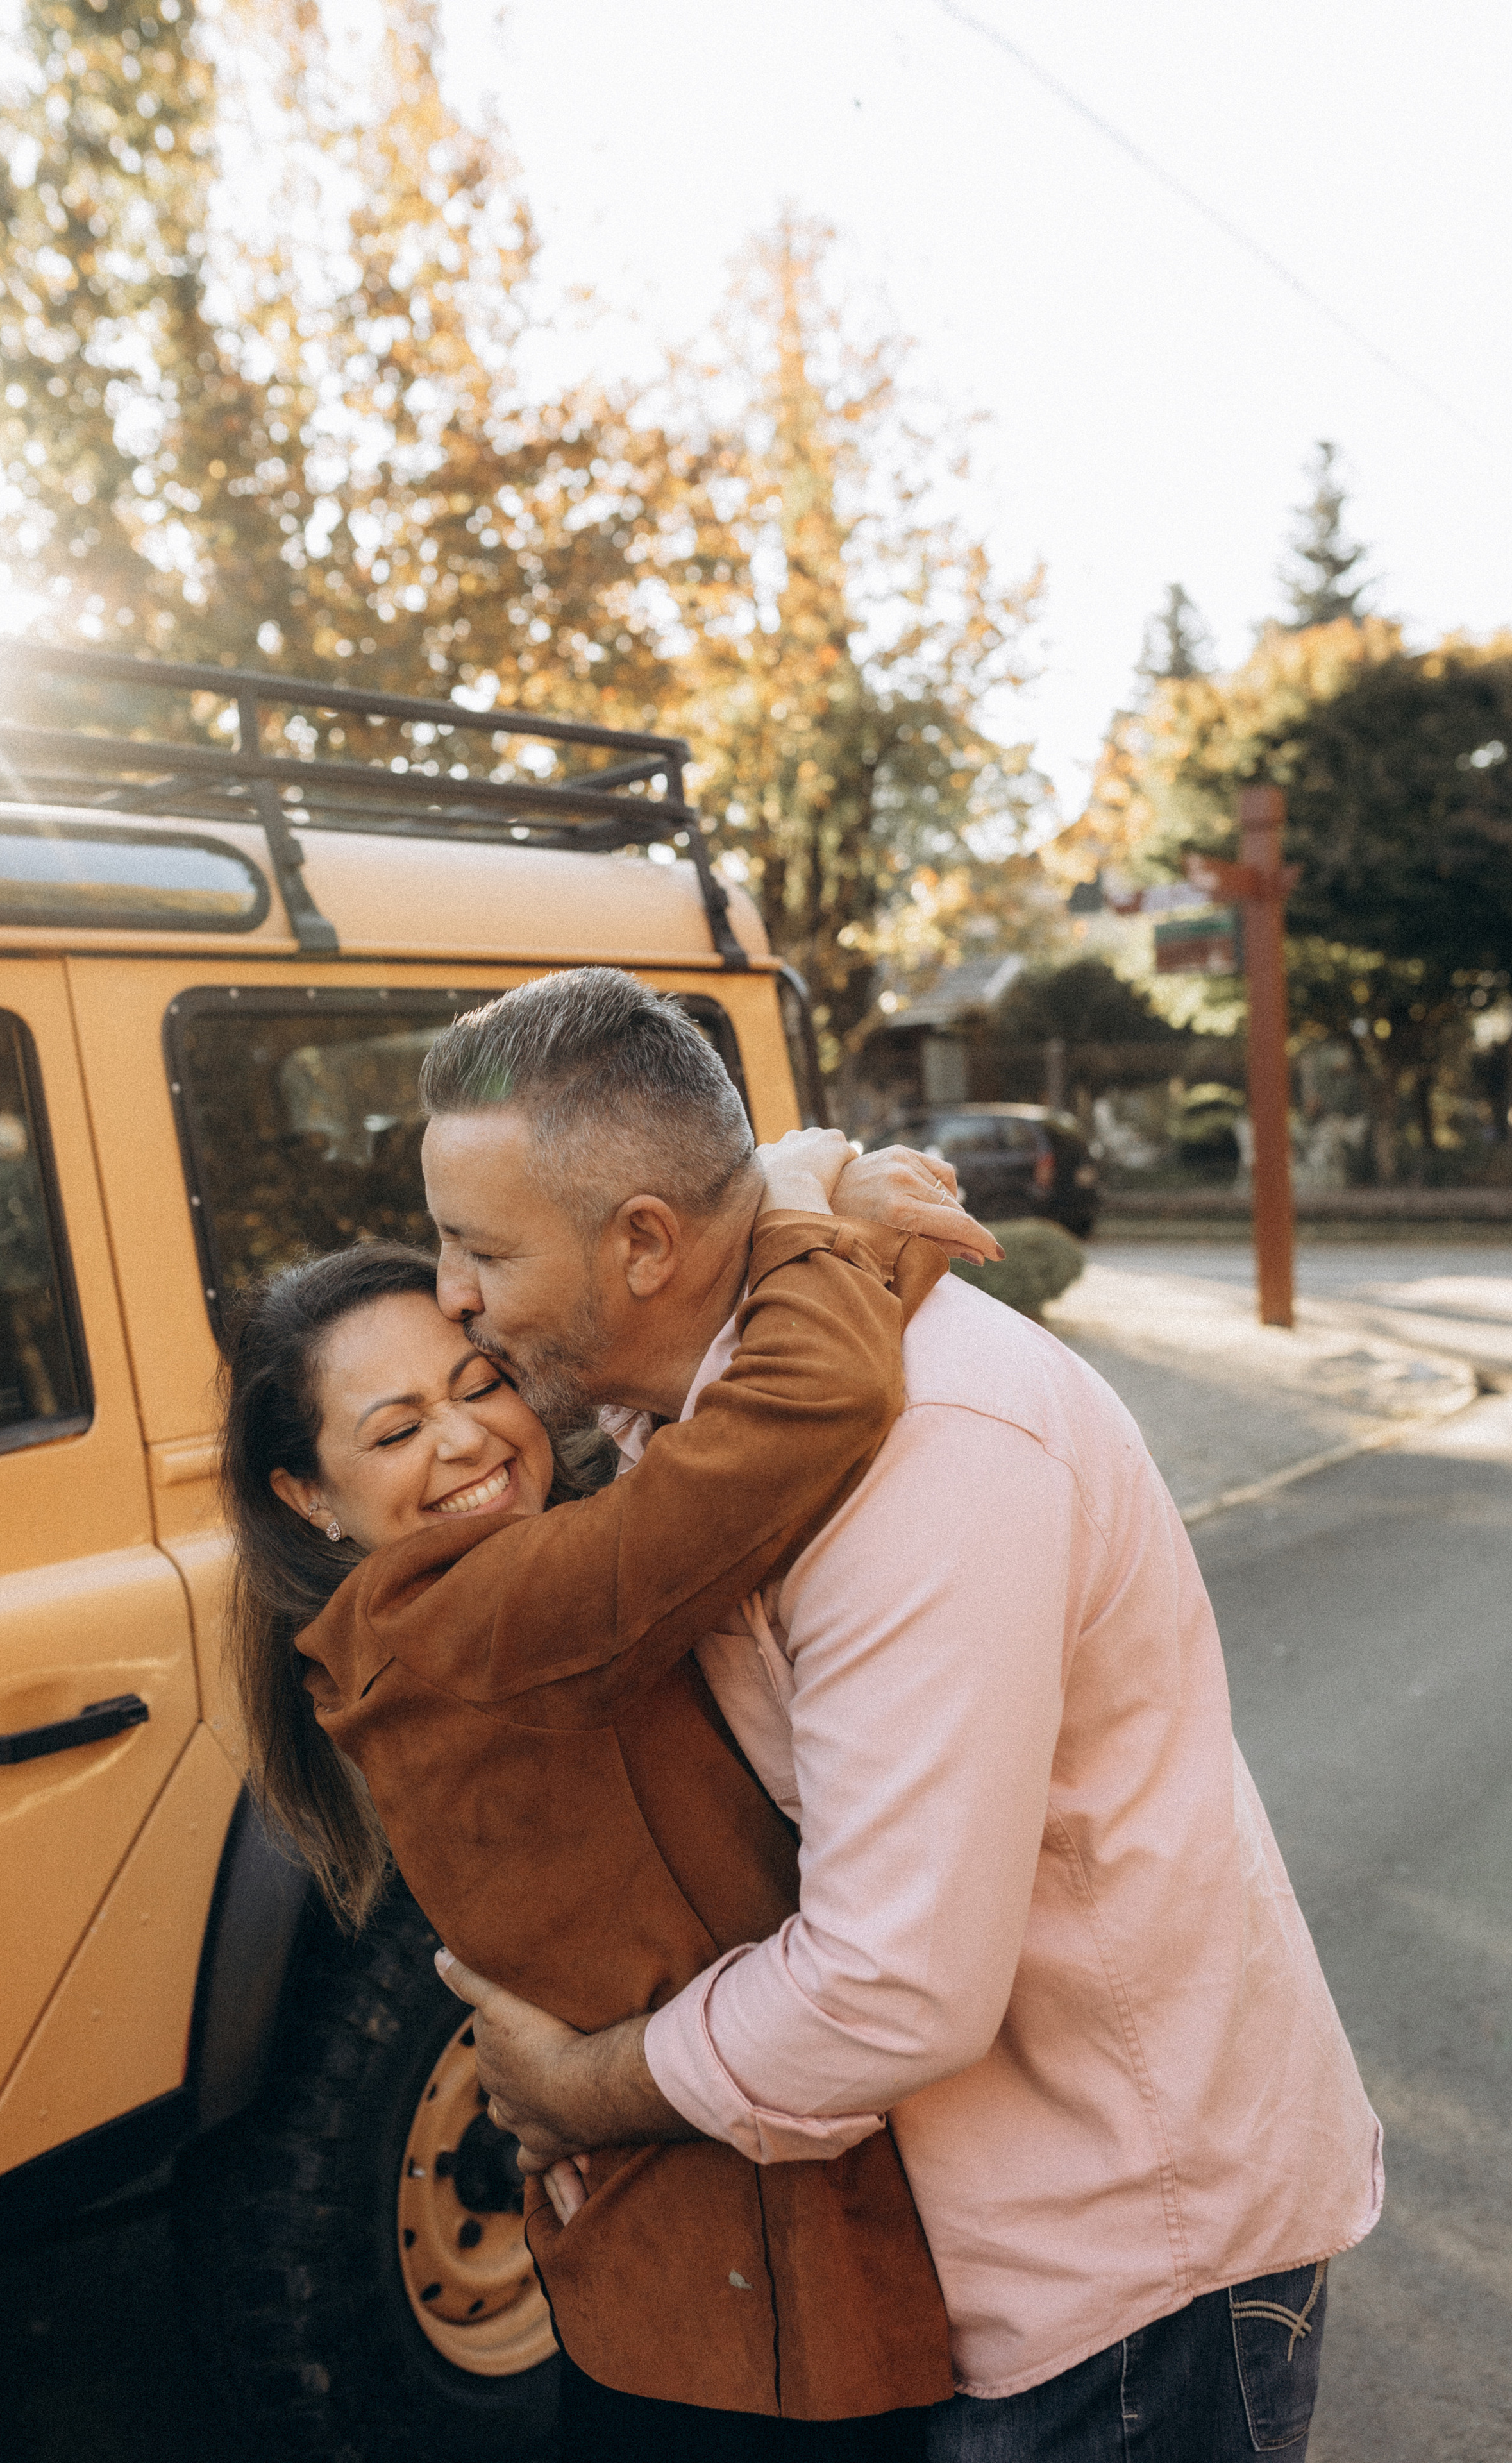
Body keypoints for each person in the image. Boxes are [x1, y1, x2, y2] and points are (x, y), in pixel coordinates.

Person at [413, 968, 1384, 2463]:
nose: (449, 1299)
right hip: (968, 2253)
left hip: (1119, 2281)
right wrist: (802, 1187)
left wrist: (582, 2088)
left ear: (648, 1245)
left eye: (477, 1249)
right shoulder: (708, 1400)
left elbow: (893, 1986)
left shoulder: (923, 1457)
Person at [221, 1131, 995, 2457]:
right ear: (308, 1497)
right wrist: (797, 1200)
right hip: (746, 2312)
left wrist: (849, 1239)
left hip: (691, 2274)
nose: (464, 1437)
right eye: (397, 1429)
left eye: (481, 1383)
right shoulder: (472, 1618)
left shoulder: (508, 1590)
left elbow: (735, 1430)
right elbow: (801, 1404)